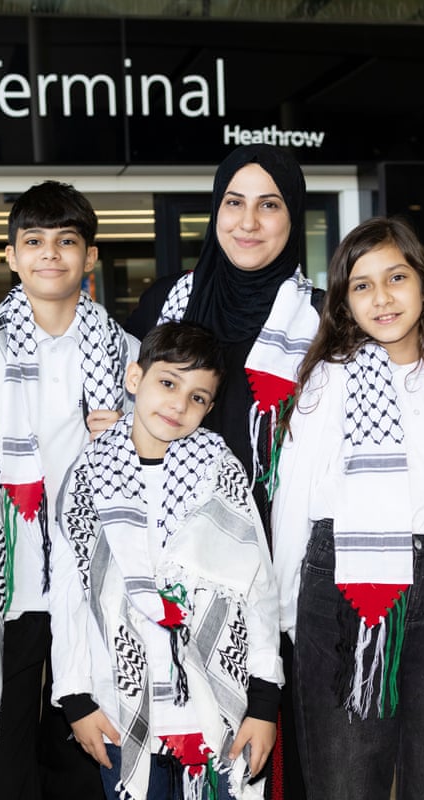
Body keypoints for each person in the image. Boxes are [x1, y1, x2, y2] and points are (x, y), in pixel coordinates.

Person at [271, 217, 424, 799]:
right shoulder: (327, 382)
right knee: (346, 780)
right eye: (361, 285)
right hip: (343, 591)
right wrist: (286, 613)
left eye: (396, 277)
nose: (381, 297)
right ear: (344, 303)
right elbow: (293, 504)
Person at [0, 180, 139, 800]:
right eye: (35, 241)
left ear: (90, 256)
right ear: (13, 255)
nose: (51, 253)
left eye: (67, 241)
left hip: (93, 593)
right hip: (7, 593)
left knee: (87, 762)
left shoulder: (125, 353)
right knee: (3, 765)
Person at [125, 144, 320, 799]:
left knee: (276, 755)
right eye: (233, 202)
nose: (248, 221)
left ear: (293, 217)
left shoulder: (323, 320)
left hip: (284, 573)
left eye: (270, 205)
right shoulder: (166, 305)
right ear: (214, 212)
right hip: (176, 570)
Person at [49, 321, 283, 800]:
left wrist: (263, 703)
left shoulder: (221, 474)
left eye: (198, 397)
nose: (179, 404)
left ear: (211, 408)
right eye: (168, 382)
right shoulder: (89, 475)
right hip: (119, 709)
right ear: (135, 379)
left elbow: (256, 591)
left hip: (219, 707)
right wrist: (75, 700)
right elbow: (70, 592)